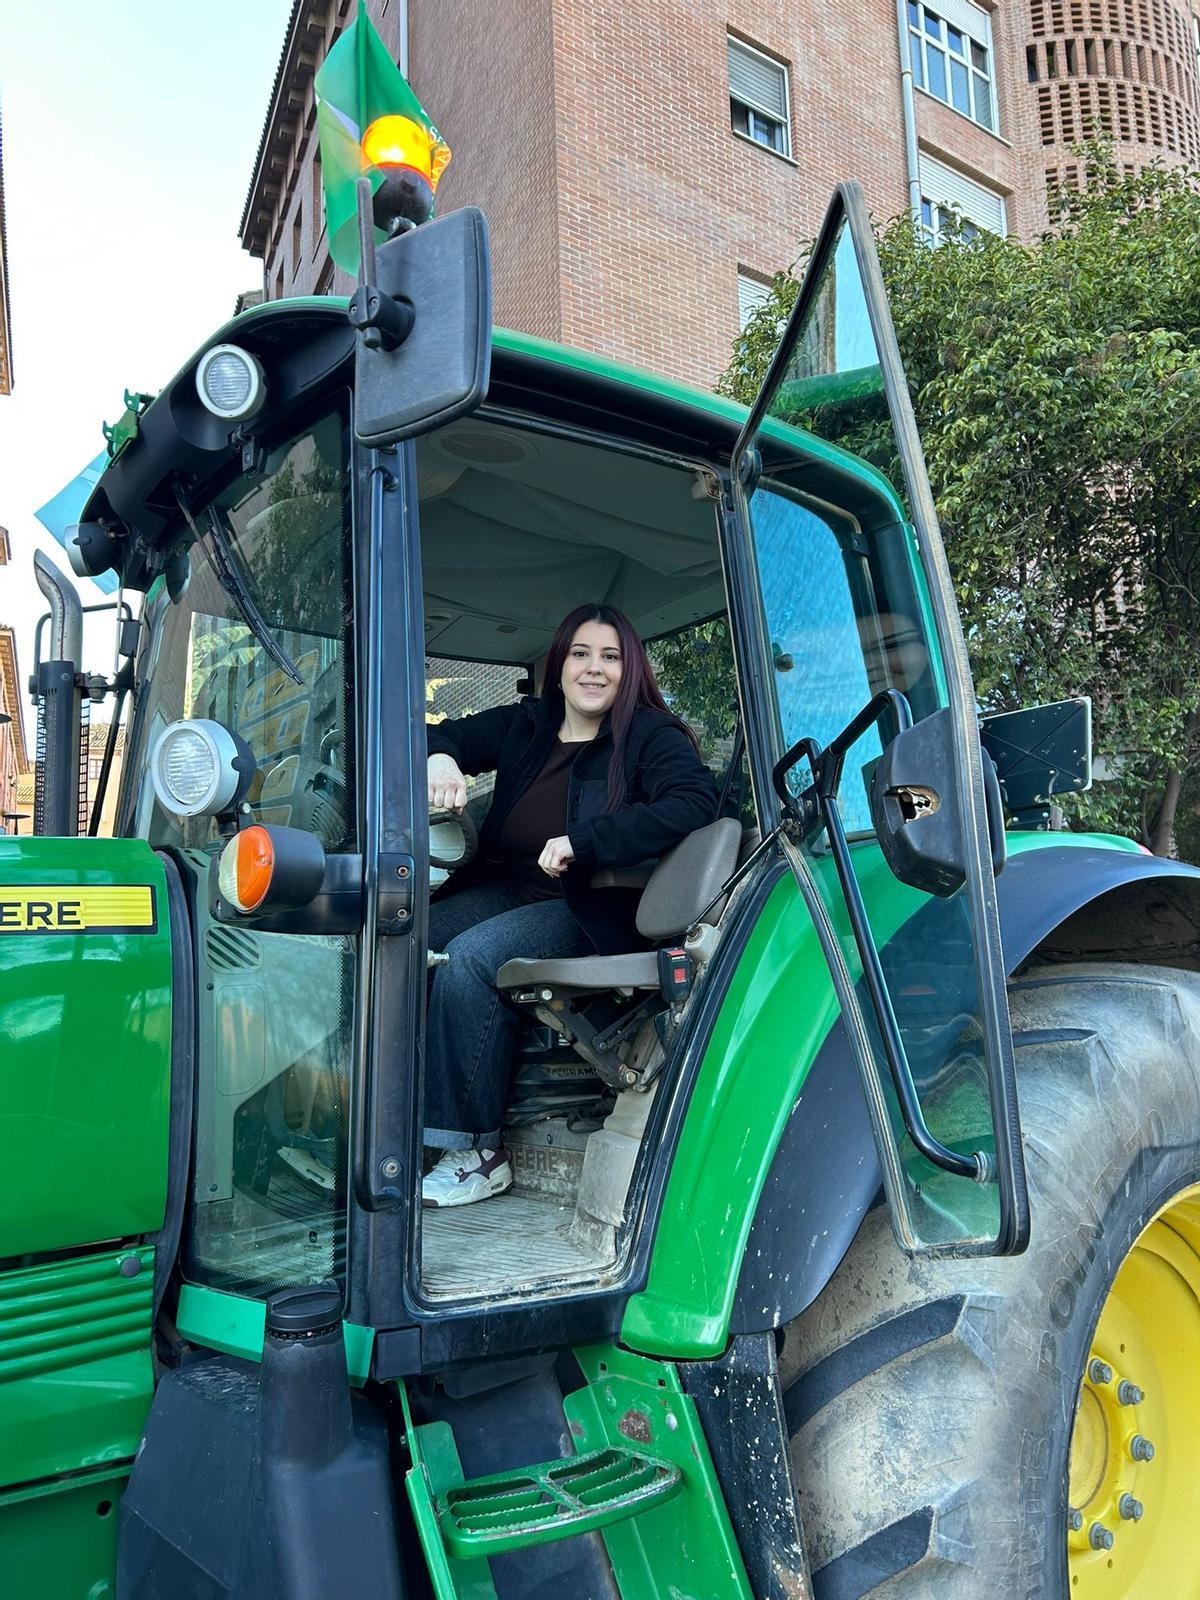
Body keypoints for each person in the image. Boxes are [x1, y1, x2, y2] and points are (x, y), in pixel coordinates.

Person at [422, 603, 719, 1207]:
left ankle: (477, 1152)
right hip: (511, 889)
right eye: (581, 654)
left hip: (591, 905)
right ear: (559, 665)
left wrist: (587, 842)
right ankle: (399, 1116)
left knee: (469, 958)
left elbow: (695, 802)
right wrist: (441, 757)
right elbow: (439, 732)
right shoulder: (529, 724)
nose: (594, 669)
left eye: (610, 657)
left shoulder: (647, 735)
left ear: (628, 668)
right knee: (403, 932)